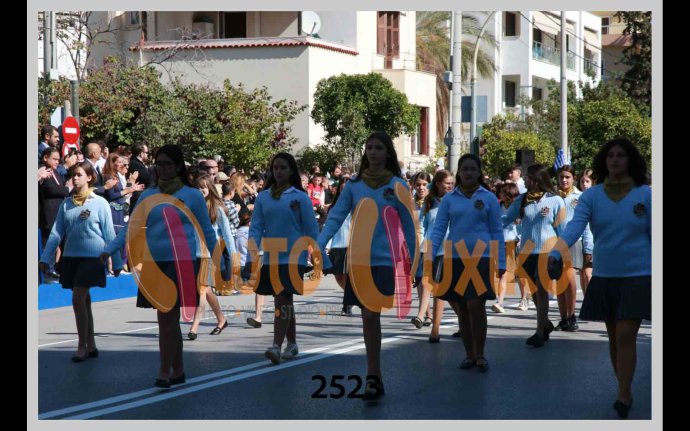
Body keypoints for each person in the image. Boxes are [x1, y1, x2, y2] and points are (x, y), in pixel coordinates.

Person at [101, 144, 218, 388]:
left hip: (182, 263)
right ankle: (179, 370)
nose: (163, 169)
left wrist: (222, 261)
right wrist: (109, 250)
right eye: (159, 164)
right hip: (155, 263)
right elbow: (131, 228)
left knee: (167, 320)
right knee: (168, 321)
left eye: (167, 164)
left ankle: (164, 371)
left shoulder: (192, 195)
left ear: (178, 166)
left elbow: (207, 231)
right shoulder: (148, 195)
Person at [549, 138, 650, 418]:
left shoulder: (646, 194)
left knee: (626, 335)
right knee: (615, 337)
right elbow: (574, 228)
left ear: (631, 160)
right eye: (610, 155)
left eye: (621, 155)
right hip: (605, 276)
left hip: (638, 275)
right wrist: (556, 252)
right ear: (604, 162)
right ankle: (623, 386)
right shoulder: (592, 196)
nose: (615, 160)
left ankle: (624, 394)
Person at [317, 132, 417, 400]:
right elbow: (336, 216)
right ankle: (374, 376)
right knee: (367, 317)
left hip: (385, 259)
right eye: (369, 148)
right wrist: (318, 244)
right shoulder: (354, 185)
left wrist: (416, 262)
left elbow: (409, 226)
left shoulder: (398, 185)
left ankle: (373, 376)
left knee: (372, 315)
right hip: (359, 260)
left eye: (378, 148)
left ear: (388, 153)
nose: (372, 152)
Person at [429, 154, 505, 372]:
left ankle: (480, 354)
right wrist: (429, 256)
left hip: (481, 258)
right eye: (465, 169)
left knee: (475, 304)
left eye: (473, 169)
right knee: (462, 306)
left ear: (479, 172)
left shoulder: (488, 198)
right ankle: (469, 355)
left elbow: (497, 231)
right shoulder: (449, 199)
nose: (469, 173)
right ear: (459, 173)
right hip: (455, 258)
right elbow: (439, 230)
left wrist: (501, 260)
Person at [39, 161, 121, 361]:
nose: (74, 178)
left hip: (93, 258)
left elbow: (110, 234)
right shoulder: (66, 204)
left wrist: (117, 262)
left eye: (79, 175)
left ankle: (81, 345)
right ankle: (91, 345)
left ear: (89, 178)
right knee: (84, 300)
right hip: (71, 258)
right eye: (72, 175)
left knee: (77, 299)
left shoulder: (99, 202)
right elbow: (56, 233)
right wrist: (45, 258)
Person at [245, 153, 321, 365]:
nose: (278, 171)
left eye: (283, 168)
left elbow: (311, 229)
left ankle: (276, 346)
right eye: (275, 168)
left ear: (291, 171)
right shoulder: (263, 197)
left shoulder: (300, 197)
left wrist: (318, 256)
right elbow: (256, 227)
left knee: (282, 298)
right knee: (285, 300)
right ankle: (292, 343)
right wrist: (251, 255)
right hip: (272, 255)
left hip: (295, 256)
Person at [502, 164, 567, 348]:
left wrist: (562, 253)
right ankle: (545, 324)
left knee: (541, 289)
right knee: (535, 293)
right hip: (526, 252)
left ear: (538, 179)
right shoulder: (522, 200)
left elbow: (562, 230)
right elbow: (505, 219)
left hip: (548, 251)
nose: (526, 181)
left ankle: (539, 332)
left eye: (529, 178)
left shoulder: (555, 200)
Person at [187, 174, 237, 339]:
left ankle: (194, 327)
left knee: (201, 290)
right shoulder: (191, 207)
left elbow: (227, 235)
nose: (201, 190)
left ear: (210, 188)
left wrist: (234, 257)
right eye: (197, 187)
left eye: (203, 187)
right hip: (193, 254)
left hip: (209, 254)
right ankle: (222, 320)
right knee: (206, 290)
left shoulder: (217, 208)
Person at [578, 169, 595, 294]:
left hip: (591, 240)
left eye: (587, 181)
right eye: (582, 181)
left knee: (588, 273)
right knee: (582, 273)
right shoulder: (577, 197)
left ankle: (590, 299)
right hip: (579, 240)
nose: (584, 184)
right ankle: (586, 299)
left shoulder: (596, 198)